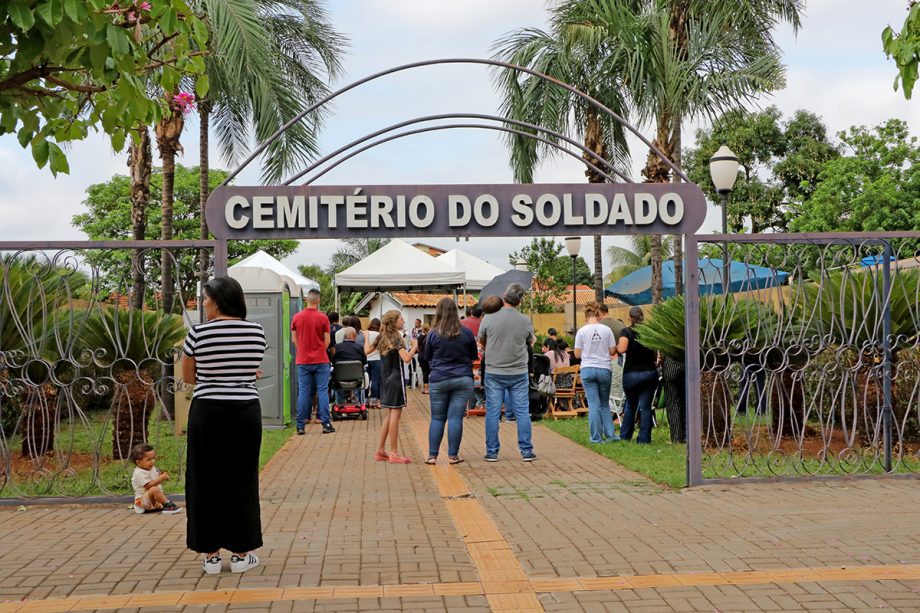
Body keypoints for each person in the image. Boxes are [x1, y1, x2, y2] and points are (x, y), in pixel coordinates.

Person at [182, 276, 266, 575]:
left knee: (204, 479)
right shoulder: (257, 332)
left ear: (218, 301)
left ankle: (211, 556)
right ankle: (243, 553)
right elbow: (246, 368)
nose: (203, 305)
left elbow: (190, 378)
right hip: (245, 412)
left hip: (208, 412)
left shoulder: (198, 334)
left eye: (205, 299)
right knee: (241, 480)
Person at [478, 284, 537, 462]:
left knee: (493, 412)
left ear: (504, 296)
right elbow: (531, 341)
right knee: (521, 411)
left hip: (494, 371)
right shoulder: (525, 320)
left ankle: (492, 451)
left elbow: (482, 342)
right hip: (519, 372)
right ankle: (526, 451)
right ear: (520, 300)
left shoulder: (488, 318)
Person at [423, 298, 478, 465]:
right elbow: (474, 355)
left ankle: (432, 456)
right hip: (463, 378)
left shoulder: (433, 333)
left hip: (439, 378)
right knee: (455, 417)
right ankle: (453, 455)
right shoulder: (466, 333)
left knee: (437, 418)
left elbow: (426, 357)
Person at [367, 310, 418, 463]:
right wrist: (414, 346)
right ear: (394, 322)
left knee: (389, 416)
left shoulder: (381, 337)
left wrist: (364, 338)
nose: (403, 321)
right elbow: (407, 359)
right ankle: (394, 453)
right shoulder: (397, 338)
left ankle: (381, 450)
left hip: (385, 379)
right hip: (396, 379)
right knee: (395, 416)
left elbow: (366, 351)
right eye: (400, 319)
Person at [291, 288, 335, 435]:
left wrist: (302, 350)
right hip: (321, 360)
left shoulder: (297, 317)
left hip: (303, 360)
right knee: (322, 390)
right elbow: (327, 340)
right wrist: (320, 349)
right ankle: (326, 423)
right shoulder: (323, 318)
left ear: (306, 300)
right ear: (319, 301)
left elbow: (294, 339)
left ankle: (300, 425)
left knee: (303, 392)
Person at [574, 302, 619, 444]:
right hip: (604, 368)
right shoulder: (607, 330)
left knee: (593, 405)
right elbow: (612, 351)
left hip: (587, 369)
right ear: (599, 314)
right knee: (604, 404)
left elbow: (576, 354)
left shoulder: (581, 331)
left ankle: (596, 437)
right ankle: (610, 435)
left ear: (585, 316)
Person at [617, 306, 659, 444]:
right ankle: (644, 439)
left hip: (631, 374)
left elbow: (622, 348)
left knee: (630, 405)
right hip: (649, 372)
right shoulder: (649, 332)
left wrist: (615, 347)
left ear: (630, 318)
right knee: (646, 407)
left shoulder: (626, 332)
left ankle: (625, 436)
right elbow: (654, 355)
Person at [130, 443, 181, 515]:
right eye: (149, 459)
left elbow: (154, 480)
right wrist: (160, 479)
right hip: (141, 502)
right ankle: (168, 505)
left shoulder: (151, 468)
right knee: (154, 489)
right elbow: (148, 486)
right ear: (138, 462)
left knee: (157, 489)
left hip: (151, 500)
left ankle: (159, 504)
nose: (152, 461)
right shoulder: (139, 473)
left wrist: (160, 476)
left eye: (153, 458)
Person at [332, 327, 367, 405]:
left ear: (344, 336)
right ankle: (359, 403)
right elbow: (364, 363)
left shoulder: (337, 347)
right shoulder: (359, 347)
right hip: (356, 379)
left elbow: (333, 362)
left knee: (335, 376)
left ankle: (339, 403)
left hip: (340, 378)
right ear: (355, 336)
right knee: (362, 374)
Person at [366, 318, 382, 407]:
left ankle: (365, 399)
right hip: (377, 359)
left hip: (367, 359)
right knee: (376, 381)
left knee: (366, 381)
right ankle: (373, 400)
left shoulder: (366, 333)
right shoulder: (380, 335)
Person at [417, 323, 431, 394]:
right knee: (432, 371)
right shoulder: (431, 336)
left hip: (421, 356)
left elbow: (418, 348)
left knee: (424, 372)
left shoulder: (419, 337)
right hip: (430, 356)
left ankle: (426, 389)